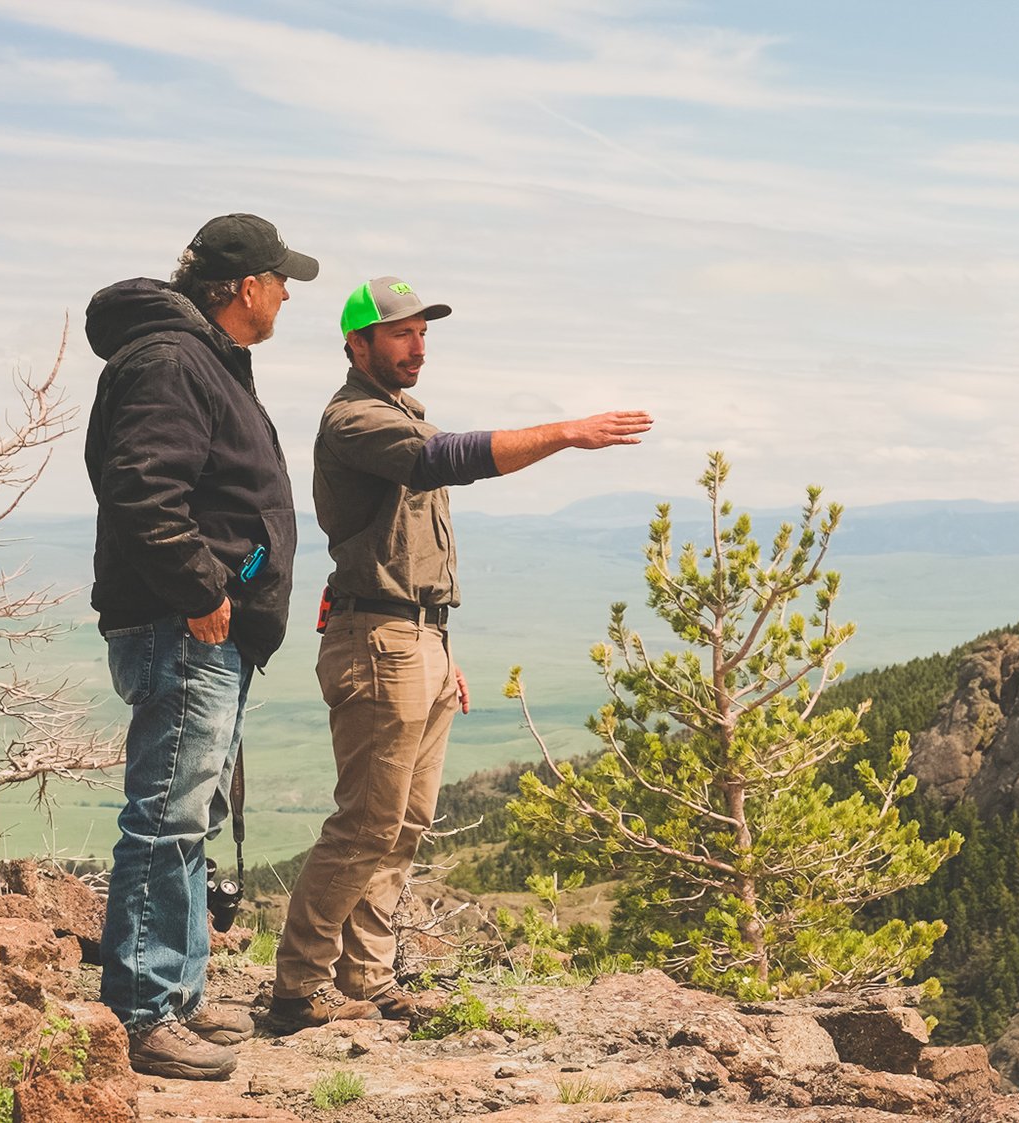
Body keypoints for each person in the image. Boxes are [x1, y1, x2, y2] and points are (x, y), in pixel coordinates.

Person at [265, 276, 652, 1029]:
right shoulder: (356, 420)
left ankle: (366, 978)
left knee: (406, 822)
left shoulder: (402, 416)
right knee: (367, 822)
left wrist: (439, 646)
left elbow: (413, 545)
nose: (418, 345)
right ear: (358, 343)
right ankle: (296, 986)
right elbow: (449, 459)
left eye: (423, 332)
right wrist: (566, 432)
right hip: (379, 641)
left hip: (418, 639)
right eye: (401, 332)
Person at [84, 213, 318, 1079]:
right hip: (185, 627)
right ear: (244, 287)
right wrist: (205, 588)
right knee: (166, 815)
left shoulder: (195, 358)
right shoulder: (172, 360)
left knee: (190, 817)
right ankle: (143, 1013)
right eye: (280, 279)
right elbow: (143, 488)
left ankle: (174, 994)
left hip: (201, 628)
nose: (288, 293)